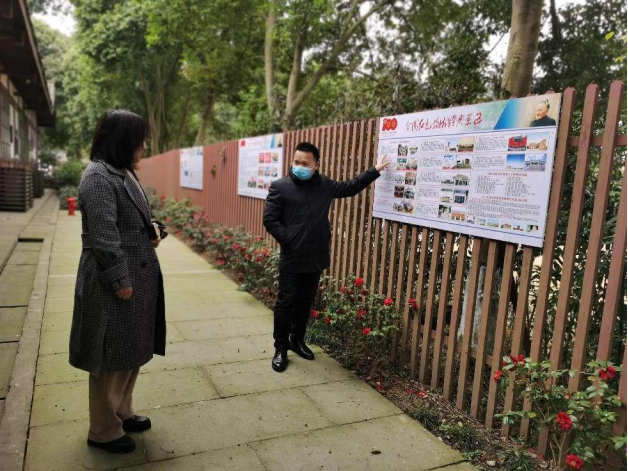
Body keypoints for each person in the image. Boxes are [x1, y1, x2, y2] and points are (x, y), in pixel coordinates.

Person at [69, 110, 167, 454]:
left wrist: (155, 229)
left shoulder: (123, 171)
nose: (144, 146)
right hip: (112, 282)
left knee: (130, 350)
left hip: (138, 276)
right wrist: (119, 280)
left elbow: (137, 218)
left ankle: (122, 411)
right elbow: (104, 238)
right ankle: (103, 430)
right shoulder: (98, 176)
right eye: (140, 139)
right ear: (123, 141)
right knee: (109, 355)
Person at [263, 142, 390, 372]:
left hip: (316, 256)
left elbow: (350, 187)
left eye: (305, 163)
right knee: (285, 303)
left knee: (305, 301)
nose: (299, 166)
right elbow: (270, 220)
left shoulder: (324, 185)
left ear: (316, 165)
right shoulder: (280, 187)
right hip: (292, 257)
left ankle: (297, 340)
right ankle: (280, 348)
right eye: (296, 162)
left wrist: (375, 170)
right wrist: (290, 239)